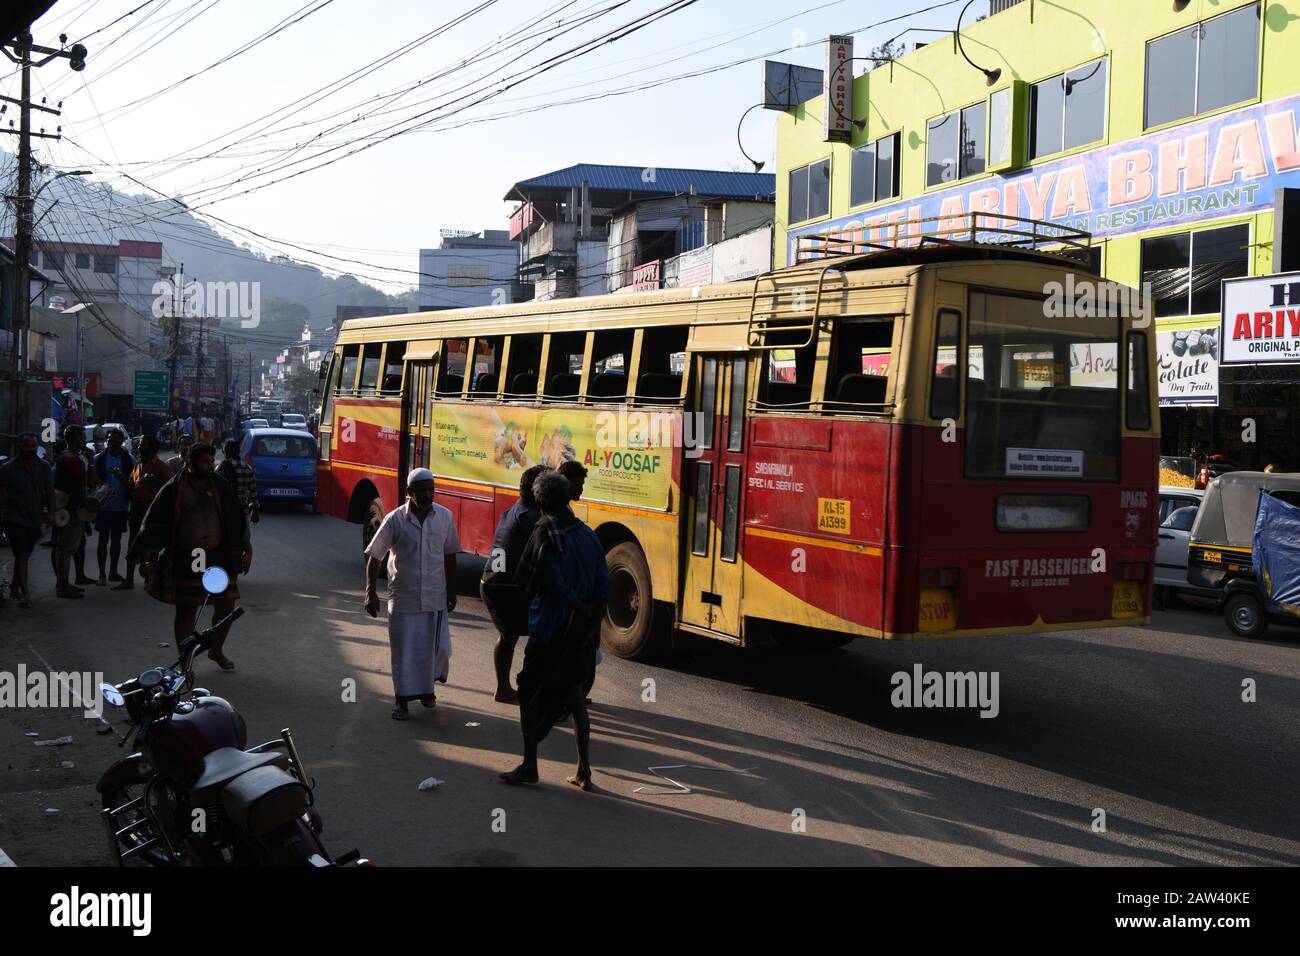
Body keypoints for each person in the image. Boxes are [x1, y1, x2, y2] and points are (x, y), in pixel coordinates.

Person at [501, 471, 610, 791]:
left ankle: (529, 764)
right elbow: (604, 584)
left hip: (549, 630)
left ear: (539, 502)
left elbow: (531, 581)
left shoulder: (543, 533)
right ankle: (584, 771)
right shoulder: (588, 535)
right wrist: (591, 621)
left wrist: (569, 602)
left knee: (528, 692)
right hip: (580, 635)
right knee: (575, 697)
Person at [134, 443, 251, 670]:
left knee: (227, 603)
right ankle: (186, 660)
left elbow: (237, 519)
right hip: (185, 557)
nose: (209, 466)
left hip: (217, 556)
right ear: (190, 462)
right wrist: (147, 559)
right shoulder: (174, 489)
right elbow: (153, 523)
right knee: (187, 608)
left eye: (211, 461)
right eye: (204, 462)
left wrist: (247, 549)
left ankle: (216, 650)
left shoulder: (220, 486)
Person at [363, 468, 460, 721]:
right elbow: (375, 556)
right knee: (403, 651)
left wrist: (452, 590)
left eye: (431, 490)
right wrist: (370, 592)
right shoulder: (395, 519)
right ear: (409, 493)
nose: (428, 495)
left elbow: (450, 557)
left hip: (434, 597)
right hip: (403, 597)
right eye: (422, 491)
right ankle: (402, 702)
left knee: (431, 649)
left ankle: (427, 691)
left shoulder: (445, 518)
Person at [481, 464, 549, 703]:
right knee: (540, 636)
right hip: (504, 587)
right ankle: (529, 688)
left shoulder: (514, 510)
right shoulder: (531, 517)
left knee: (508, 636)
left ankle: (506, 688)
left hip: (494, 582)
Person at [0, 433, 52, 608]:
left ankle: (15, 587)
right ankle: (25, 594)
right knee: (21, 553)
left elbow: (48, 492)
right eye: (27, 446)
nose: (30, 449)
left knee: (24, 554)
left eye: (33, 446)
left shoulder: (43, 467)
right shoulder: (7, 469)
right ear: (20, 447)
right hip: (14, 518)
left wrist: (49, 512)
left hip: (35, 518)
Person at [119, 436, 172, 590]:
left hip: (152, 510)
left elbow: (170, 490)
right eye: (140, 444)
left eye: (143, 444)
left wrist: (156, 481)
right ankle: (129, 580)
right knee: (134, 543)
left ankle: (151, 580)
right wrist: (121, 478)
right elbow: (131, 486)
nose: (139, 447)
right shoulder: (138, 464)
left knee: (152, 546)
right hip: (137, 508)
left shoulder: (162, 467)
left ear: (152, 448)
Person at [52, 425, 92, 599]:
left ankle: (64, 583)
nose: (85, 439)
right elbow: (88, 481)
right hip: (71, 509)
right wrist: (91, 461)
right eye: (82, 436)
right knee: (66, 549)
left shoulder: (66, 457)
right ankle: (62, 585)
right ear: (76, 439)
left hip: (66, 508)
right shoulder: (72, 459)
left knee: (66, 548)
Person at [93, 429, 134, 586]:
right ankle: (102, 574)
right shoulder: (99, 459)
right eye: (110, 441)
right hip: (102, 507)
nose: (112, 444)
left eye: (115, 441)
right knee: (103, 540)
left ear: (121, 442)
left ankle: (113, 572)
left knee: (116, 541)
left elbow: (132, 485)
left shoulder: (129, 460)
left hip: (120, 506)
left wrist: (121, 478)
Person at [217, 439, 259, 525]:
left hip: (224, 511)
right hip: (241, 511)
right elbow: (253, 492)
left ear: (225, 452)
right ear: (238, 452)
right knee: (243, 537)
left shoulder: (221, 467)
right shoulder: (247, 468)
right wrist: (255, 510)